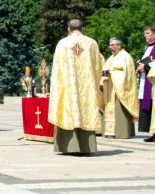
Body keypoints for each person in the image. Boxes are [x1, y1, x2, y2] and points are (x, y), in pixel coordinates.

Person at [47, 19, 104, 155]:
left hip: (67, 87)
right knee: (86, 111)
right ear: (82, 28)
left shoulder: (63, 43)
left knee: (68, 111)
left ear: (68, 29)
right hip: (87, 87)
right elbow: (98, 66)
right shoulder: (91, 43)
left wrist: (56, 86)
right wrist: (95, 84)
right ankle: (86, 146)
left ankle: (69, 146)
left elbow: (57, 68)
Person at [101, 38, 138, 139]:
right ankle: (110, 132)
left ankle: (121, 132)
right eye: (110, 45)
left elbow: (127, 74)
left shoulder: (126, 57)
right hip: (110, 88)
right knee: (110, 108)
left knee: (120, 110)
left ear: (119, 46)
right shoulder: (111, 57)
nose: (110, 47)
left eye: (113, 45)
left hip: (120, 88)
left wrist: (111, 73)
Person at [137, 26, 155, 138]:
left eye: (147, 33)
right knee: (148, 106)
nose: (145, 35)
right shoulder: (147, 47)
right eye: (145, 33)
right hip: (145, 79)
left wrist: (146, 66)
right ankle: (153, 132)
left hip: (154, 82)